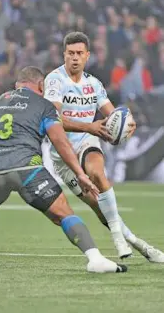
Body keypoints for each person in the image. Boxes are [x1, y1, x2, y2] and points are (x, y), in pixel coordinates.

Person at [0, 66, 127, 273]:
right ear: (40, 85)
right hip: (27, 169)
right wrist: (80, 174)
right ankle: (95, 258)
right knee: (63, 213)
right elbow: (61, 142)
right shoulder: (45, 106)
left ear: (18, 84)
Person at [44, 31, 164, 263]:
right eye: (70, 53)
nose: (75, 58)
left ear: (87, 55)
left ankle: (118, 237)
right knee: (99, 208)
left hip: (88, 143)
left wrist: (128, 124)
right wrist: (89, 126)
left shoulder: (94, 84)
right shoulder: (55, 80)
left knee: (98, 173)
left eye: (79, 53)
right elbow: (54, 119)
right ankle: (140, 245)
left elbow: (113, 114)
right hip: (62, 153)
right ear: (64, 54)